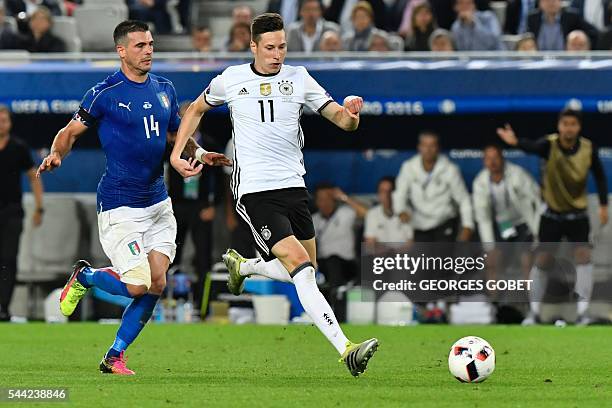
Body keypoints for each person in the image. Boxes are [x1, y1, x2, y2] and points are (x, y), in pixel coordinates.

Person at [170, 13, 378, 377]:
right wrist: (181, 151)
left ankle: (245, 266)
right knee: (302, 270)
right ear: (253, 47)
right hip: (255, 190)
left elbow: (342, 122)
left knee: (305, 269)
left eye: (282, 46)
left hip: (294, 188)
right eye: (269, 48)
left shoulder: (299, 78)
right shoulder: (232, 79)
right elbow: (196, 109)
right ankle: (345, 348)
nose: (277, 54)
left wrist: (353, 113)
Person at [37, 20, 230, 375]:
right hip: (119, 205)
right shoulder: (104, 92)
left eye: (151, 44)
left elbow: (176, 134)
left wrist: (200, 155)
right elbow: (70, 131)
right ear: (121, 50)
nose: (149, 51)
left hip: (158, 203)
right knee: (137, 285)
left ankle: (114, 356)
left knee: (156, 283)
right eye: (140, 45)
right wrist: (57, 154)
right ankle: (85, 277)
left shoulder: (165, 88)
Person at [497, 108, 608, 325]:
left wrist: (603, 205)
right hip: (552, 215)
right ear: (559, 126)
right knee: (542, 259)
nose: (568, 128)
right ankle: (535, 314)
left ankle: (582, 313)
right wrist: (515, 142)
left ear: (579, 127)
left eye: (573, 124)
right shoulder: (549, 145)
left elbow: (600, 177)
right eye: (565, 124)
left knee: (583, 256)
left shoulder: (588, 148)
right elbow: (530, 146)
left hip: (578, 215)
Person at [0, 105, 44, 321]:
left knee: (8, 259)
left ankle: (3, 308)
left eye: (4, 120)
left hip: (11, 212)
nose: (1, 123)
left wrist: (39, 207)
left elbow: (33, 176)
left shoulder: (18, 147)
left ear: (10, 123)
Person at [393, 131, 473, 243]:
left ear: (438, 148)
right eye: (425, 145)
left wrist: (467, 226)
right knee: (421, 260)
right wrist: (401, 210)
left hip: (444, 221)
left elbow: (463, 199)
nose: (428, 149)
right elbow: (399, 194)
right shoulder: (409, 167)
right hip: (419, 224)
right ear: (419, 147)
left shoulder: (449, 169)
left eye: (432, 145)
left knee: (441, 260)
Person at [312, 183, 368, 320]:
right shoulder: (314, 220)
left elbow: (366, 214)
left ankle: (338, 313)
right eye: (321, 199)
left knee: (334, 260)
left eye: (328, 198)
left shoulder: (345, 213)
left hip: (346, 264)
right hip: (323, 265)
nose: (324, 203)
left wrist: (344, 197)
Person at [364, 176, 413, 245]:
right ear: (378, 194)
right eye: (382, 191)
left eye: (390, 191)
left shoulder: (407, 212)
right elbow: (370, 244)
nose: (386, 195)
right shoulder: (372, 214)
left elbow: (410, 244)